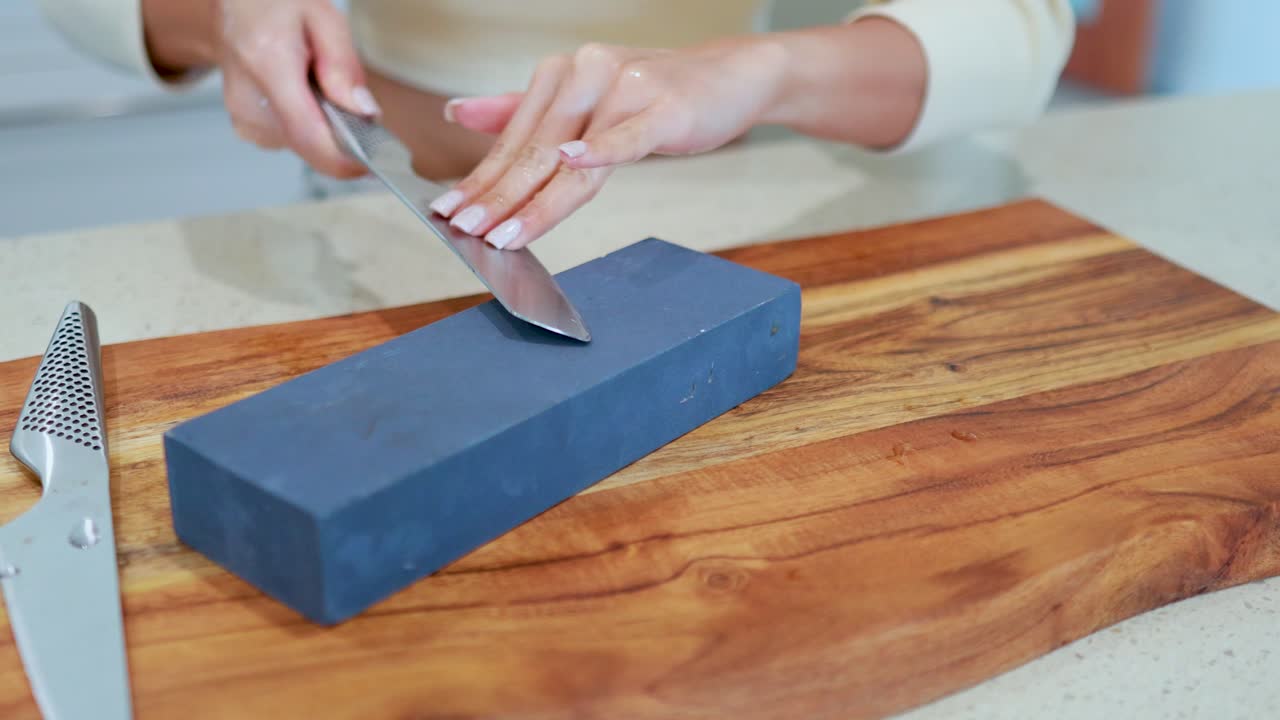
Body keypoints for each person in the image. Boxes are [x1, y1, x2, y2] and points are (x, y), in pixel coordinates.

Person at [39, 1, 1074, 249]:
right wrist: (221, 17)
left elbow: (1022, 25)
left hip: (723, 220)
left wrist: (767, 68)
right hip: (376, 218)